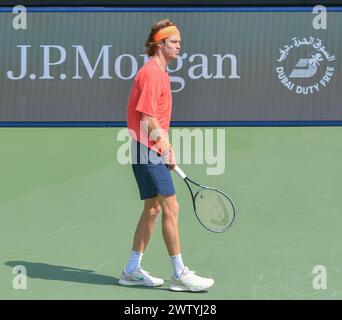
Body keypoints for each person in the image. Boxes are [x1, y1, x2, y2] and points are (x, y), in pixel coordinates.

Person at [119, 19, 214, 292]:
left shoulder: (159, 71)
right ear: (159, 43)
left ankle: (131, 269)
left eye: (180, 42)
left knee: (153, 209)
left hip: (145, 147)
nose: (179, 47)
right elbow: (148, 118)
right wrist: (166, 148)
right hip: (147, 149)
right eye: (174, 42)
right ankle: (179, 273)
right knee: (171, 207)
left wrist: (162, 146)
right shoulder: (152, 73)